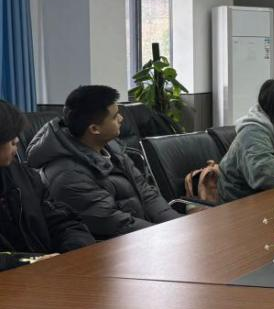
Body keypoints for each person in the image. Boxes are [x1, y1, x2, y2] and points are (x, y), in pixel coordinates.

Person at [26, 85, 181, 239]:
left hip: (145, 237)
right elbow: (113, 223)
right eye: (114, 116)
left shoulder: (112, 148)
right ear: (94, 129)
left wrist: (177, 226)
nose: (121, 119)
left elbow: (147, 194)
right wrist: (164, 236)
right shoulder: (67, 175)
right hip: (113, 246)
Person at [1, 100, 94, 270]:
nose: (16, 140)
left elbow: (61, 220)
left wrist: (74, 249)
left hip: (45, 273)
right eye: (9, 136)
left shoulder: (23, 175)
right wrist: (27, 261)